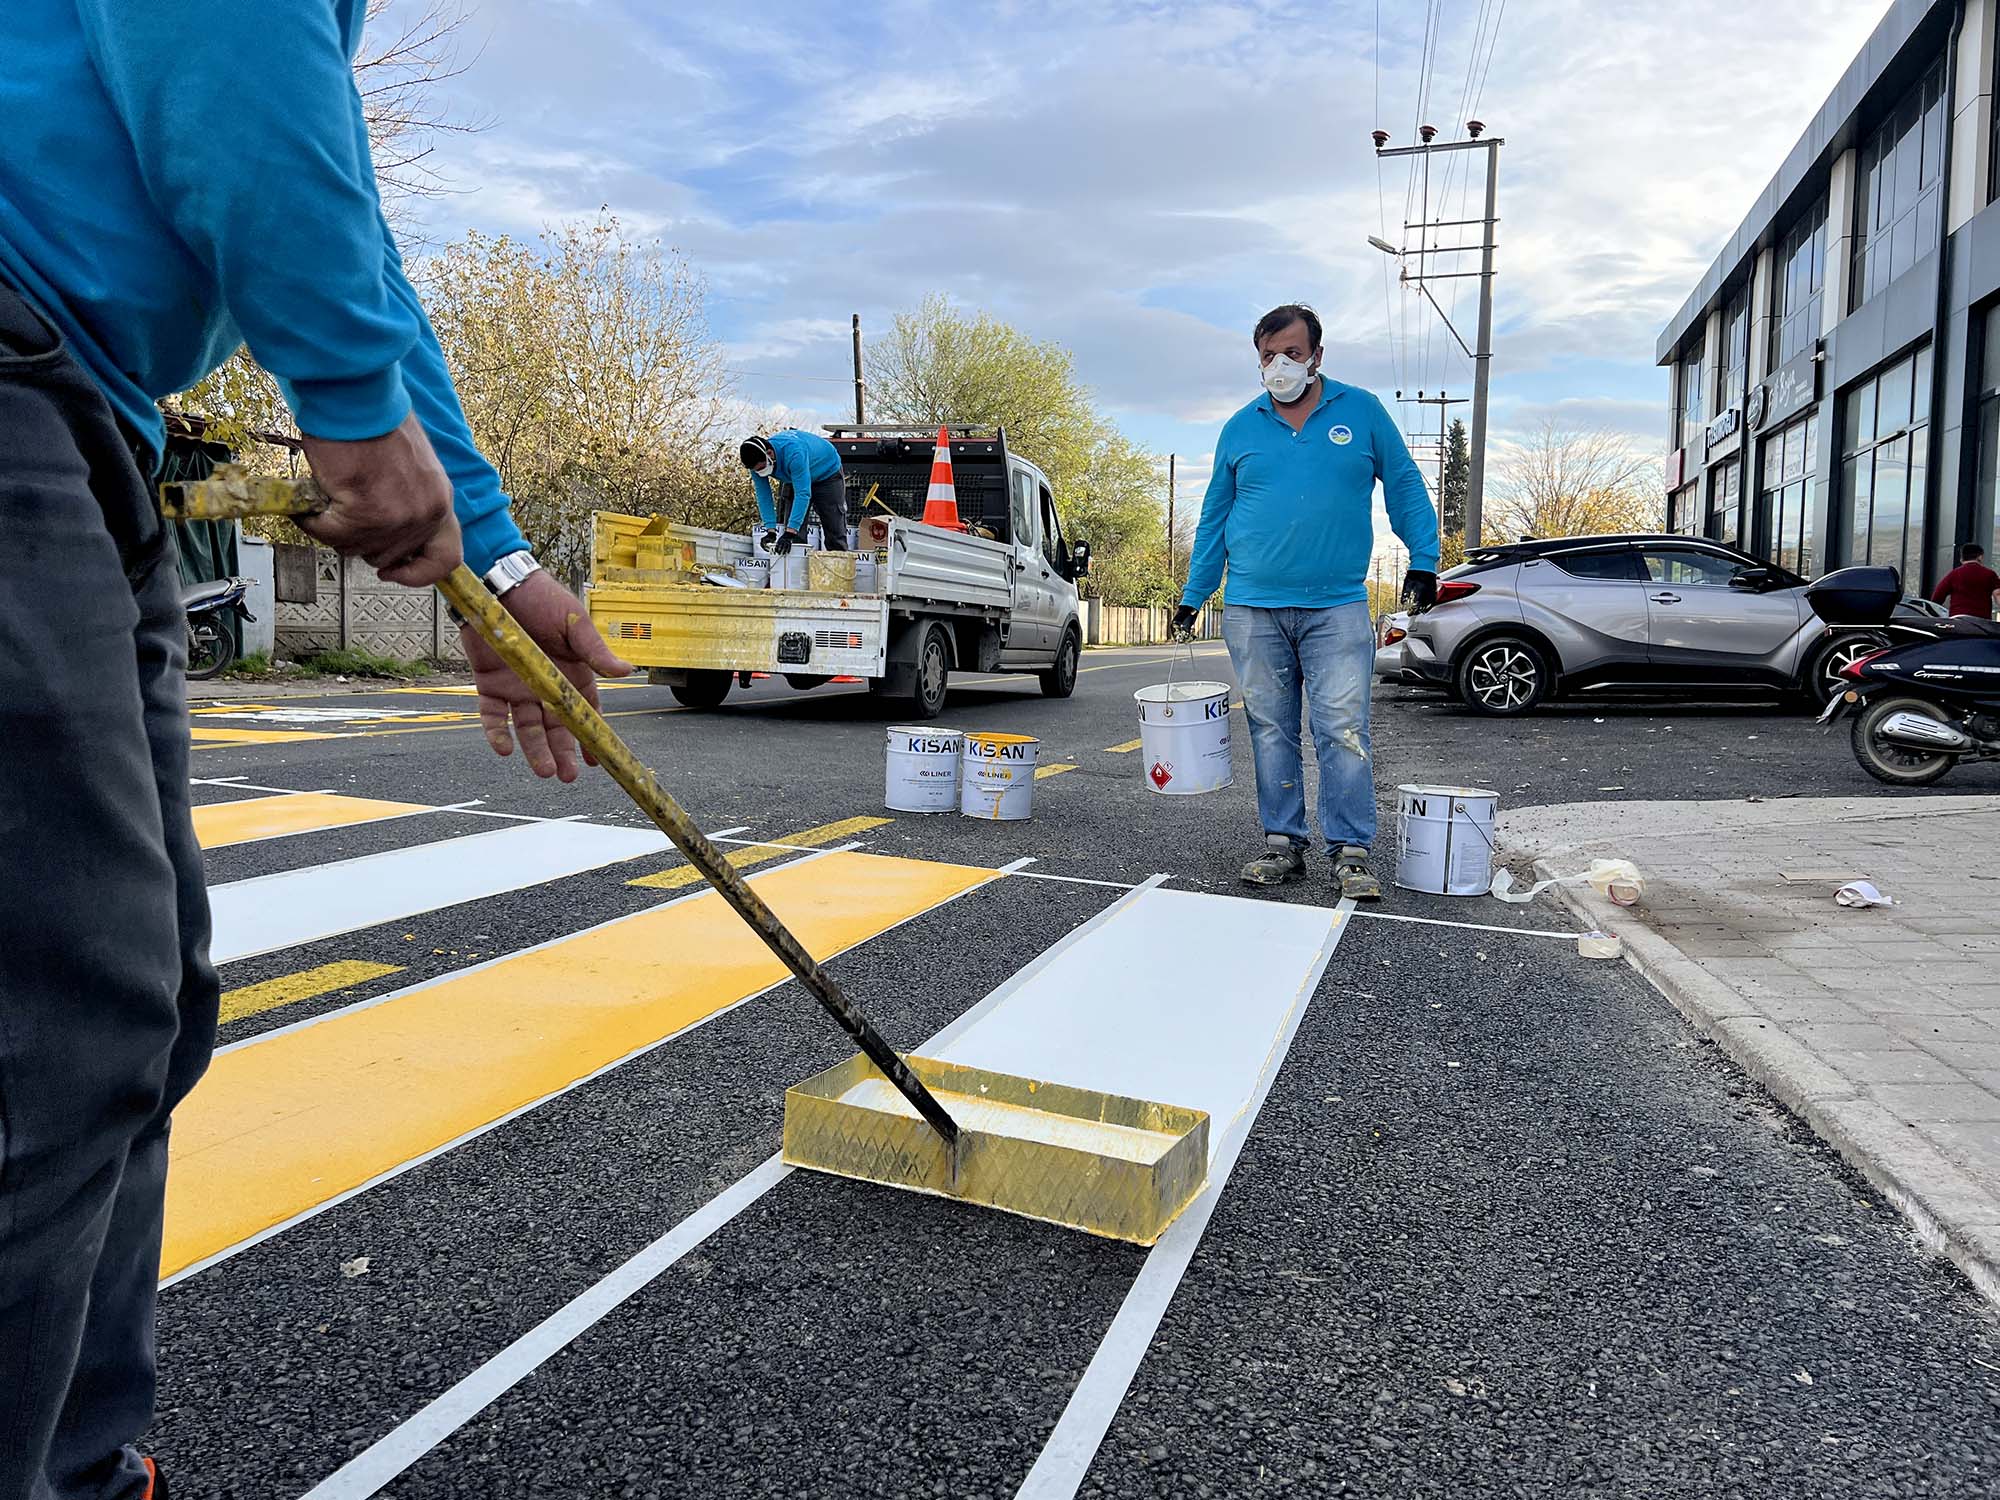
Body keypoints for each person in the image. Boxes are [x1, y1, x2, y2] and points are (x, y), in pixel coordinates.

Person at [0, 7, 628, 1499]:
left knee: (144, 1012)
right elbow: (217, 43)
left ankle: (82, 1470)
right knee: (55, 1038)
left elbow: (352, 230)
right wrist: (347, 411)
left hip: (88, 414)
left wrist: (493, 551)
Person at [1174, 304, 1439, 900]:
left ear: (1318, 354)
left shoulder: (1362, 412)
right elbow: (1214, 517)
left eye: (1292, 353)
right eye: (1268, 356)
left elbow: (1404, 487)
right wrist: (1194, 596)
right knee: (1270, 728)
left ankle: (1350, 851)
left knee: (1342, 729)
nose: (1279, 365)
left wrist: (1424, 560)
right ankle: (1283, 844)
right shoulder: (1241, 428)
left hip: (1336, 607)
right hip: (1252, 607)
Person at [741, 429, 850, 552]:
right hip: (795, 477)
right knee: (794, 536)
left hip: (827, 473)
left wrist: (790, 533)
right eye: (756, 470)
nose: (760, 472)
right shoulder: (755, 465)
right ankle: (797, 568)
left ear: (770, 453)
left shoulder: (794, 453)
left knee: (834, 528)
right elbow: (764, 496)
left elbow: (803, 494)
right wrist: (770, 530)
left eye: (762, 468)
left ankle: (839, 563)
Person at [1932, 542, 1999, 618]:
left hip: (1958, 619)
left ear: (1961, 559)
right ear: (1980, 557)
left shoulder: (1954, 574)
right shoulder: (1990, 574)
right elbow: (1998, 595)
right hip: (1981, 620)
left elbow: (1937, 596)